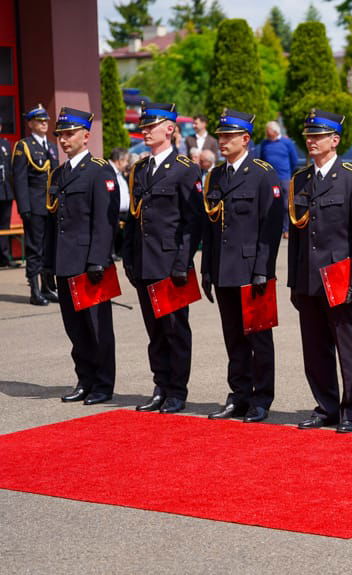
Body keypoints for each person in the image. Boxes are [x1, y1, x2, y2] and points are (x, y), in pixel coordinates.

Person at [288, 109, 352, 433]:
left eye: (319, 136)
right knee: (314, 347)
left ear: (334, 140)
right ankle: (326, 407)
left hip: (339, 276)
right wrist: (293, 282)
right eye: (309, 136)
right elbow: (297, 235)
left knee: (348, 346)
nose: (311, 141)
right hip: (308, 278)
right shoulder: (301, 179)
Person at [202, 109, 282, 423]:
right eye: (220, 136)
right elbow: (209, 227)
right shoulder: (216, 176)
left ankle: (261, 399)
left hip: (252, 270)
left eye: (229, 136)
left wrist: (263, 268)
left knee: (258, 339)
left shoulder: (263, 174)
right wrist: (207, 269)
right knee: (233, 337)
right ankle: (239, 395)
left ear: (245, 139)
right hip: (224, 269)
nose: (222, 141)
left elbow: (271, 227)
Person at [123, 103, 203, 414]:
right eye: (143, 125)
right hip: (144, 262)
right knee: (154, 331)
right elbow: (133, 217)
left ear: (169, 129)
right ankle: (160, 385)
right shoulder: (139, 170)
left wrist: (182, 262)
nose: (145, 130)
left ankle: (177, 390)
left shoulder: (185, 169)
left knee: (174, 330)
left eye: (151, 125)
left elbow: (192, 221)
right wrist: (129, 257)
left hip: (171, 264)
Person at [45, 107, 119, 405]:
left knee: (97, 328)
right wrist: (49, 262)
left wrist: (97, 260)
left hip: (89, 263)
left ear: (86, 136)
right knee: (75, 328)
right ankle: (84, 379)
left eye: (69, 133)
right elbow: (54, 222)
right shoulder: (60, 173)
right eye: (60, 134)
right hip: (65, 261)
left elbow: (105, 219)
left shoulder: (99, 170)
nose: (63, 140)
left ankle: (103, 384)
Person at [12, 104, 60, 305]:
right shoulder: (24, 146)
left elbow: (56, 176)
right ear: (30, 124)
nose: (44, 124)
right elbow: (19, 179)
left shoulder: (50, 145)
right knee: (35, 248)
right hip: (34, 205)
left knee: (50, 247)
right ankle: (34, 291)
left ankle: (47, 287)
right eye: (40, 121)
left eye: (46, 120)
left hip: (50, 205)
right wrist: (24, 208)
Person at [259, 121, 300, 236]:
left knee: (285, 205)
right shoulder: (264, 144)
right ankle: (271, 228)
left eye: (268, 130)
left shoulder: (287, 143)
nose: (266, 132)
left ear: (275, 131)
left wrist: (288, 173)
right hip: (269, 179)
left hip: (284, 178)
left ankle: (286, 229)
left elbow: (294, 160)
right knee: (268, 204)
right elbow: (262, 160)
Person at [0, 134, 19, 268]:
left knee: (4, 225)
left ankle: (5, 257)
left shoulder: (6, 144)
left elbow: (10, 168)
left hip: (5, 191)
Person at [108, 147, 130, 261]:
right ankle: (111, 253)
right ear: (119, 160)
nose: (127, 164)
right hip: (113, 211)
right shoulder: (108, 171)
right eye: (126, 161)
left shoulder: (119, 173)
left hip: (122, 213)